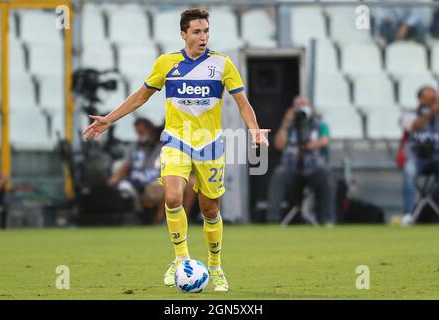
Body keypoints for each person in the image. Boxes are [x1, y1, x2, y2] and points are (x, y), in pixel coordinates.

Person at [83, 8, 269, 292]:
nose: (203, 36)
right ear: (183, 34)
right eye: (197, 31)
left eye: (206, 31)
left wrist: (254, 129)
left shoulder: (222, 64)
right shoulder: (166, 63)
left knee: (210, 208)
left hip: (210, 145)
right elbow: (140, 96)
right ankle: (181, 259)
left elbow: (242, 102)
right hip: (176, 141)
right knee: (172, 197)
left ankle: (215, 267)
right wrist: (109, 118)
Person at [267, 96, 335, 225]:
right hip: (293, 169)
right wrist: (285, 124)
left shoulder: (319, 123)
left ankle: (327, 220)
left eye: (304, 104)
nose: (301, 108)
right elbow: (279, 145)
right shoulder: (290, 125)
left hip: (314, 169)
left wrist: (305, 148)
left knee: (326, 176)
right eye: (298, 105)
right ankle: (273, 218)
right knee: (279, 174)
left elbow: (324, 141)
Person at [399, 86, 439, 226]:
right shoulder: (410, 114)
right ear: (420, 99)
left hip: (436, 157)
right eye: (430, 98)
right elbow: (412, 127)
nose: (432, 101)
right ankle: (408, 214)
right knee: (409, 171)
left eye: (434, 98)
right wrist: (429, 114)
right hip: (416, 157)